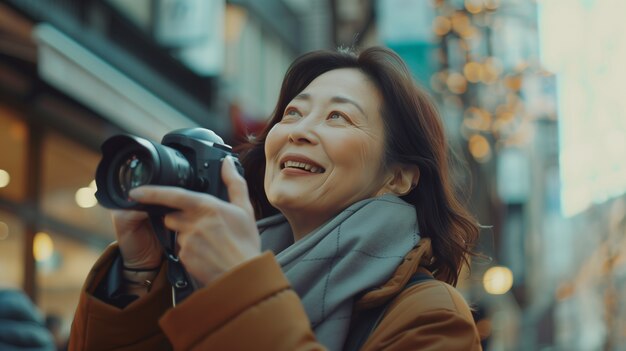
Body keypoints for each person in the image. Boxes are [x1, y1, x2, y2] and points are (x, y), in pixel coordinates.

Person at [68, 47, 482, 350]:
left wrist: (238, 288)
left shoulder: (432, 315)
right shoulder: (212, 272)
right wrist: (140, 274)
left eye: (338, 116)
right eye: (293, 114)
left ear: (399, 176)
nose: (298, 131)